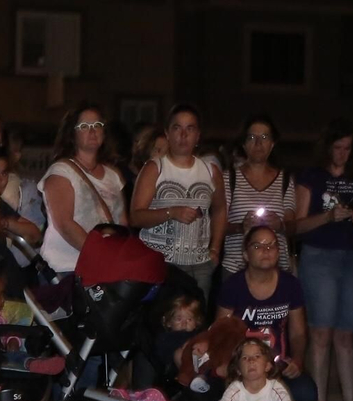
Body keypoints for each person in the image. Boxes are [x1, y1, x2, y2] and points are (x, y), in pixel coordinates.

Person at [293, 119, 353, 401]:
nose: (342, 154)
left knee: (346, 335)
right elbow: (296, 225)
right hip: (319, 257)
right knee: (320, 333)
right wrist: (328, 216)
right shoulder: (311, 177)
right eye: (337, 148)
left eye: (348, 148)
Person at [214, 225, 317, 401]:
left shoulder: (290, 284)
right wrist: (227, 364)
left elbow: (298, 332)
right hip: (242, 365)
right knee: (212, 390)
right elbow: (221, 331)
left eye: (272, 245)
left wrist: (298, 360)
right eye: (258, 246)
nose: (266, 250)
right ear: (245, 254)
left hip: (277, 365)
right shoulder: (232, 286)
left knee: (306, 394)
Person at [130, 104, 224, 300]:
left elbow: (220, 208)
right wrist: (171, 212)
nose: (183, 135)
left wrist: (215, 248)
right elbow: (136, 216)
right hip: (160, 263)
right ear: (168, 133)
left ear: (198, 135)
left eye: (190, 128)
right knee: (162, 321)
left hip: (199, 265)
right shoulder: (154, 168)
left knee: (196, 324)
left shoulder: (210, 171)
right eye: (177, 128)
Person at [38, 101, 127, 274]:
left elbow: (121, 223)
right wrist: (99, 254)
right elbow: (64, 224)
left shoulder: (113, 175)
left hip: (106, 268)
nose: (92, 131)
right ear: (72, 134)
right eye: (84, 126)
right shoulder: (61, 172)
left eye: (97, 125)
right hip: (68, 267)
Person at [215, 113, 293, 274]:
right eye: (252, 137)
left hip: (275, 269)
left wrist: (279, 225)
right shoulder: (229, 178)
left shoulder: (285, 179)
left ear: (272, 143)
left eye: (264, 137)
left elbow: (293, 225)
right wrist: (240, 227)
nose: (258, 143)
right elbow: (216, 224)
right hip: (236, 268)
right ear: (244, 144)